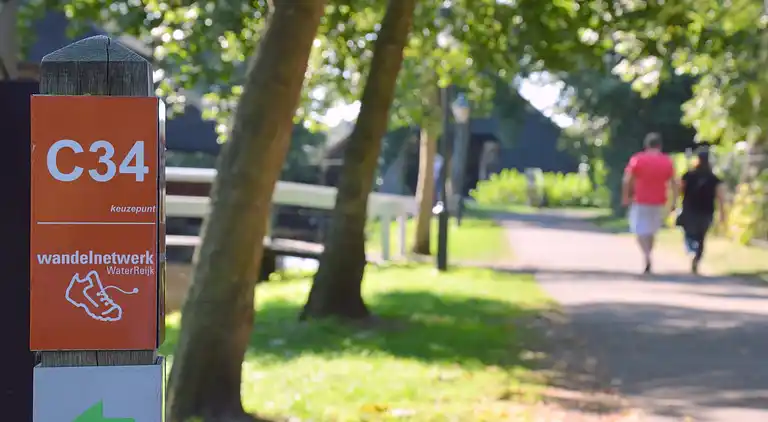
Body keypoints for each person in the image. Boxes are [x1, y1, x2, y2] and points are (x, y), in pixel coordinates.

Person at [622, 133, 676, 274]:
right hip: (659, 201)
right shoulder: (667, 161)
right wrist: (674, 201)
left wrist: (626, 196)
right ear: (660, 145)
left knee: (639, 230)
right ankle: (648, 253)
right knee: (652, 230)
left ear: (646, 145)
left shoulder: (638, 160)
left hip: (640, 200)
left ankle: (646, 255)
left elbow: (627, 179)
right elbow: (673, 182)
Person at [677, 148, 726, 274]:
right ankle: (697, 257)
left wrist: (676, 203)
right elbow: (720, 197)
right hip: (707, 211)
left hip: (689, 209)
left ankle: (692, 251)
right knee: (701, 237)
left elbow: (680, 190)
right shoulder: (714, 178)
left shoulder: (688, 175)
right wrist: (722, 213)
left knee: (689, 234)